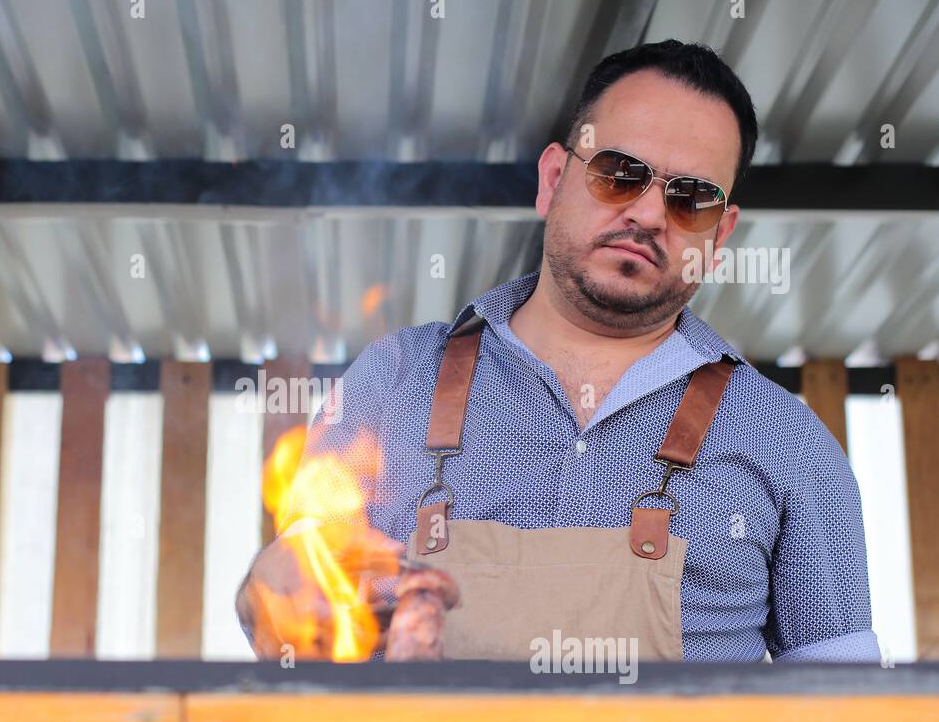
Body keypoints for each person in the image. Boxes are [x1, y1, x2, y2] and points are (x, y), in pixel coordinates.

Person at [236, 39, 879, 664]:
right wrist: (270, 594)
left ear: (720, 234)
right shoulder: (394, 381)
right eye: (620, 175)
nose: (652, 215)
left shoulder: (791, 443)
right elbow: (297, 609)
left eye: (691, 197)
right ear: (552, 180)